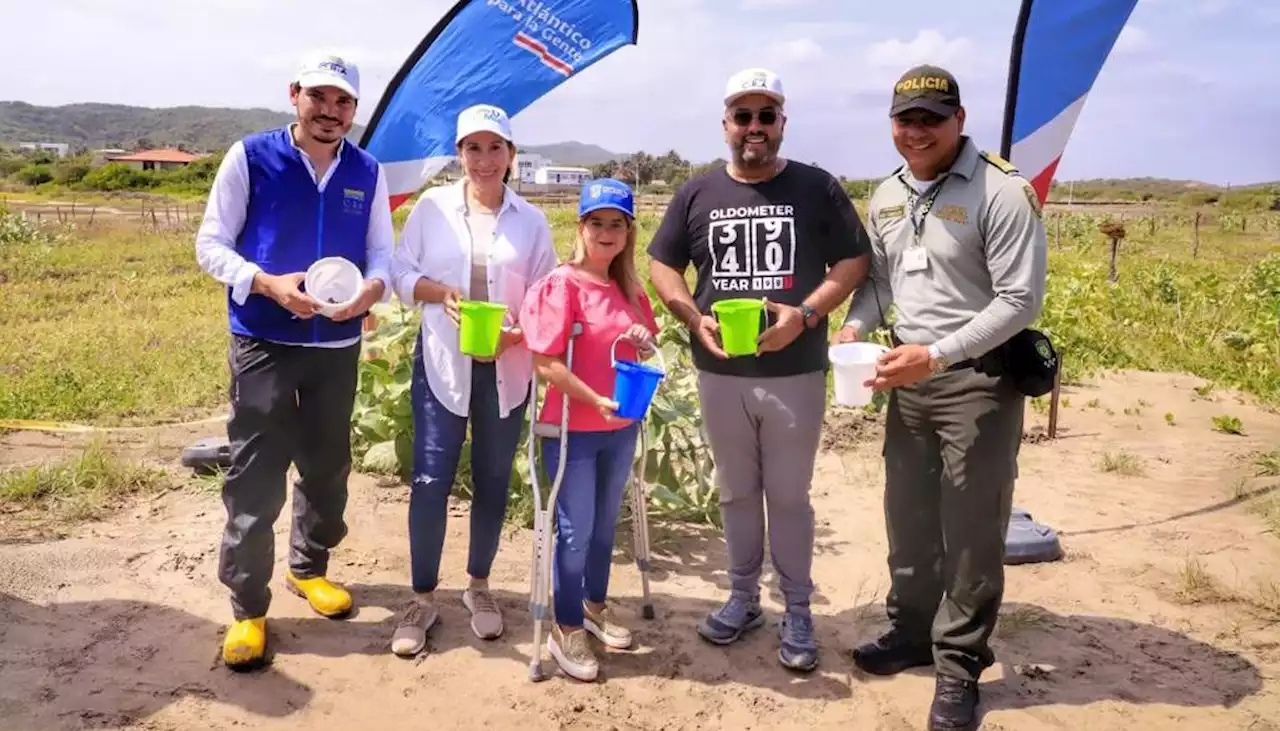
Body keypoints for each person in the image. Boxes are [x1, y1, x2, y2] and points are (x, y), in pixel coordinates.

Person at [834, 64, 1048, 730]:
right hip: (907, 377)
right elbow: (881, 283)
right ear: (892, 125)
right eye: (906, 119)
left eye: (931, 118)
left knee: (972, 528)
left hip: (977, 380)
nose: (917, 131)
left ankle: (958, 666)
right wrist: (857, 322)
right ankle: (912, 631)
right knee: (910, 514)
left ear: (959, 119)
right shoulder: (887, 195)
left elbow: (1021, 299)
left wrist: (939, 354)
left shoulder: (1002, 192)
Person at [647, 67, 871, 672]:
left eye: (765, 116)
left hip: (795, 370)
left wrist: (805, 314)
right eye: (742, 116)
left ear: (781, 124)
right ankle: (743, 597)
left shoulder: (817, 188)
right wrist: (693, 318)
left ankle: (798, 609)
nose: (754, 127)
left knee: (789, 496)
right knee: (737, 492)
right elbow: (663, 266)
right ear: (726, 125)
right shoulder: (696, 194)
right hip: (721, 373)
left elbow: (854, 259)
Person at [193, 52, 394, 670]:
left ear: (354, 112)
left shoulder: (367, 170)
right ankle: (249, 608)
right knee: (255, 475)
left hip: (337, 348)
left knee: (328, 469)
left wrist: (370, 292)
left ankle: (308, 571)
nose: (330, 112)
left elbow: (382, 254)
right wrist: (265, 283)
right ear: (295, 95)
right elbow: (210, 245)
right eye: (320, 98)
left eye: (343, 103)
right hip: (263, 342)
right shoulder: (250, 157)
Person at [388, 103, 557, 657]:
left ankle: (479, 588)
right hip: (442, 361)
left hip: (505, 369)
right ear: (459, 154)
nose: (484, 160)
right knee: (431, 481)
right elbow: (399, 271)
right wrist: (440, 294)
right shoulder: (432, 209)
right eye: (472, 148)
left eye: (495, 148)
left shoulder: (530, 222)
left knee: (492, 481)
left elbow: (546, 294)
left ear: (511, 153)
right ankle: (420, 597)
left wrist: (520, 333)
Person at [518, 177, 659, 682]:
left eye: (615, 224)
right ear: (581, 227)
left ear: (627, 233)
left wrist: (642, 340)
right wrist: (592, 398)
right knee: (574, 532)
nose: (606, 232)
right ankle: (566, 627)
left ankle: (595, 608)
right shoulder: (561, 285)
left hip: (620, 425)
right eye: (596, 223)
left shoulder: (630, 289)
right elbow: (545, 363)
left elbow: (642, 347)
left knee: (603, 526)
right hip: (571, 428)